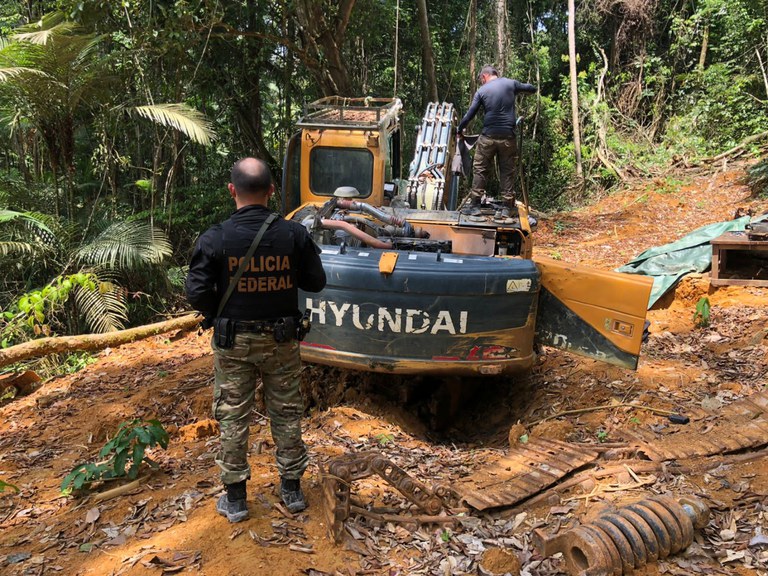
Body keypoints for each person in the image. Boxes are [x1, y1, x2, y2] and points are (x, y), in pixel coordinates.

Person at [185, 157, 326, 523]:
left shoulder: (216, 237)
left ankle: (235, 500)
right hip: (282, 341)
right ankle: (292, 490)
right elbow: (316, 282)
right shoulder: (294, 234)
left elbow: (196, 291)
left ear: (232, 190)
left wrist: (220, 313)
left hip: (234, 343)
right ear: (271, 191)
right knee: (287, 412)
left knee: (233, 417)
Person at [457, 65, 536, 219]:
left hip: (488, 137)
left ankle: (474, 207)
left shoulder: (482, 91)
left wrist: (460, 129)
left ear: (484, 76)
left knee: (480, 169)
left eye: (481, 79)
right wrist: (526, 89)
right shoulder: (510, 83)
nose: (482, 82)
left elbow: (469, 114)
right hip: (508, 137)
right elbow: (531, 88)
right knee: (507, 171)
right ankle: (507, 208)